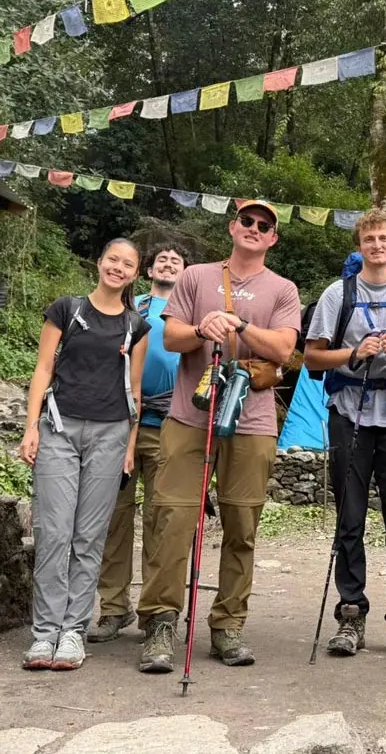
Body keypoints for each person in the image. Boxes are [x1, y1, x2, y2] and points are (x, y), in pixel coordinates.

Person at [136, 201, 301, 673]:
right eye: (246, 221)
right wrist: (201, 327)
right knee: (172, 518)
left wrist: (242, 325)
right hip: (190, 415)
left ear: (272, 238)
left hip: (253, 422)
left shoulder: (283, 289)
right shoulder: (196, 277)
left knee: (242, 525)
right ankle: (161, 623)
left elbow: (287, 351)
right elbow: (171, 338)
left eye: (263, 226)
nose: (253, 229)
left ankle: (228, 624)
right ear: (232, 227)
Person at [304, 209, 386, 659]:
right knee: (350, 518)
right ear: (358, 246)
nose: (377, 245)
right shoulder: (336, 295)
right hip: (348, 414)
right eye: (369, 239)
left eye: (384, 238)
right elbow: (312, 358)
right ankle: (350, 612)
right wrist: (354, 353)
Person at [18, 238, 150, 670]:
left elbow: (135, 391)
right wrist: (30, 426)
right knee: (53, 531)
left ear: (135, 275)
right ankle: (45, 634)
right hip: (59, 427)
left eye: (127, 264)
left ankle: (73, 632)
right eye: (113, 259)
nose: (118, 268)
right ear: (100, 263)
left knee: (89, 537)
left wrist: (130, 446)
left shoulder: (136, 326)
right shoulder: (66, 309)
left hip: (111, 435)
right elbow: (43, 368)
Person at [88, 243, 188, 643]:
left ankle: (154, 611)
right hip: (121, 422)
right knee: (114, 519)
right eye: (161, 259)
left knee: (161, 522)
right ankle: (113, 608)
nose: (167, 263)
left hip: (172, 425)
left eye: (175, 261)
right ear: (148, 269)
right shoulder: (130, 307)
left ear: (185, 272)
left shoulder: (189, 313)